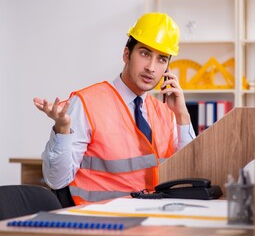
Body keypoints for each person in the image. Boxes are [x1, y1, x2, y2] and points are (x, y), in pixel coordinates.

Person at [33, 12, 196, 206]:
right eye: (144, 53)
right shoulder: (86, 103)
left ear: (168, 68)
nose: (151, 67)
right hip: (100, 223)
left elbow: (189, 175)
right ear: (126, 54)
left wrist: (182, 115)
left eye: (161, 59)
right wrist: (62, 131)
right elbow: (56, 180)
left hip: (153, 219)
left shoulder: (165, 112)